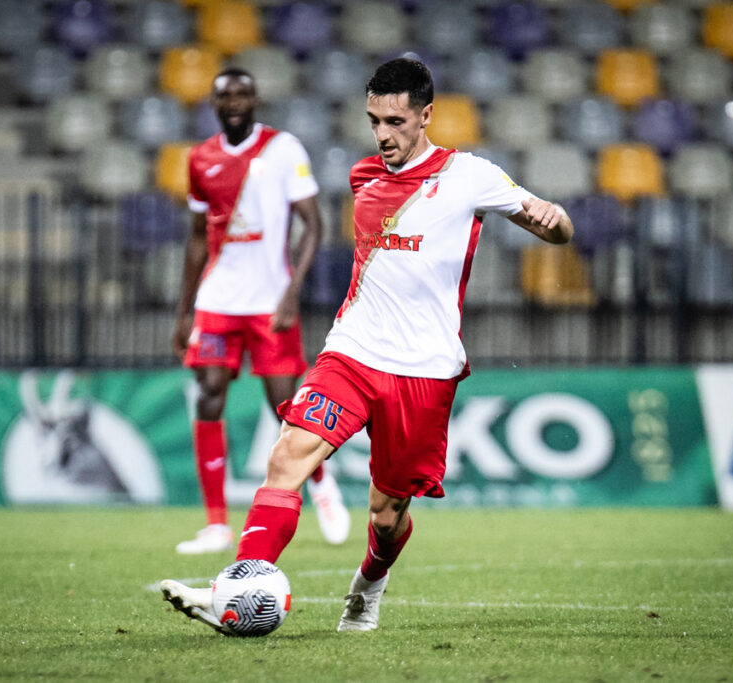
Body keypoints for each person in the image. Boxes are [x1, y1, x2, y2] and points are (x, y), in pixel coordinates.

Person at [161, 58, 573, 629]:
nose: (383, 135)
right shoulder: (364, 176)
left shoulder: (470, 175)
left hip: (425, 370)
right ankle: (236, 584)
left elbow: (551, 227)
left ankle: (368, 585)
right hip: (352, 353)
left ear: (426, 116)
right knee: (287, 457)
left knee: (386, 514)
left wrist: (553, 220)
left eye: (396, 121)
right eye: (374, 120)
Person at [172, 67, 350, 555]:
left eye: (243, 93)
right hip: (218, 301)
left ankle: (322, 486)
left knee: (285, 408)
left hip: (269, 301)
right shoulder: (200, 158)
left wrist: (292, 291)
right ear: (212, 103)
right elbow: (194, 241)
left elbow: (314, 225)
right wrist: (184, 311)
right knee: (209, 395)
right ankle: (215, 525)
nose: (235, 101)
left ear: (254, 100)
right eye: (225, 94)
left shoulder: (283, 149)